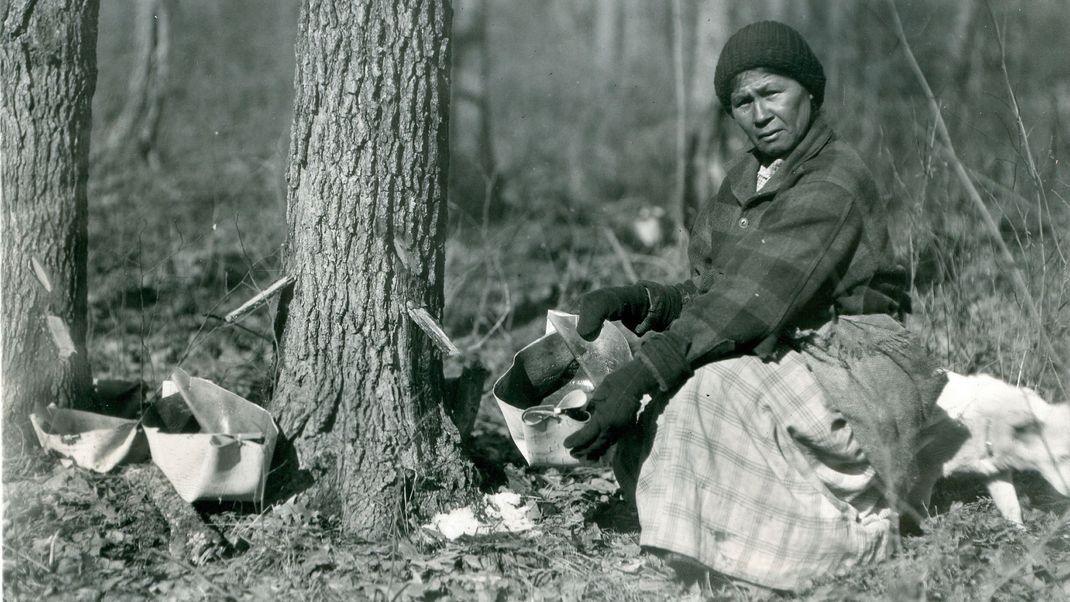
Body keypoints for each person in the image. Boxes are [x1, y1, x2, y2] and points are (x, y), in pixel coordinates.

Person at [563, 21, 943, 592]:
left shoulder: (832, 177)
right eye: (743, 101)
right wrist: (644, 300)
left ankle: (850, 541)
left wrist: (645, 370)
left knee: (704, 394)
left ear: (809, 92)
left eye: (773, 93)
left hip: (854, 372)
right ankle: (719, 530)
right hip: (788, 348)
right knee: (672, 400)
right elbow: (721, 288)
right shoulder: (748, 175)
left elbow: (753, 302)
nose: (760, 112)